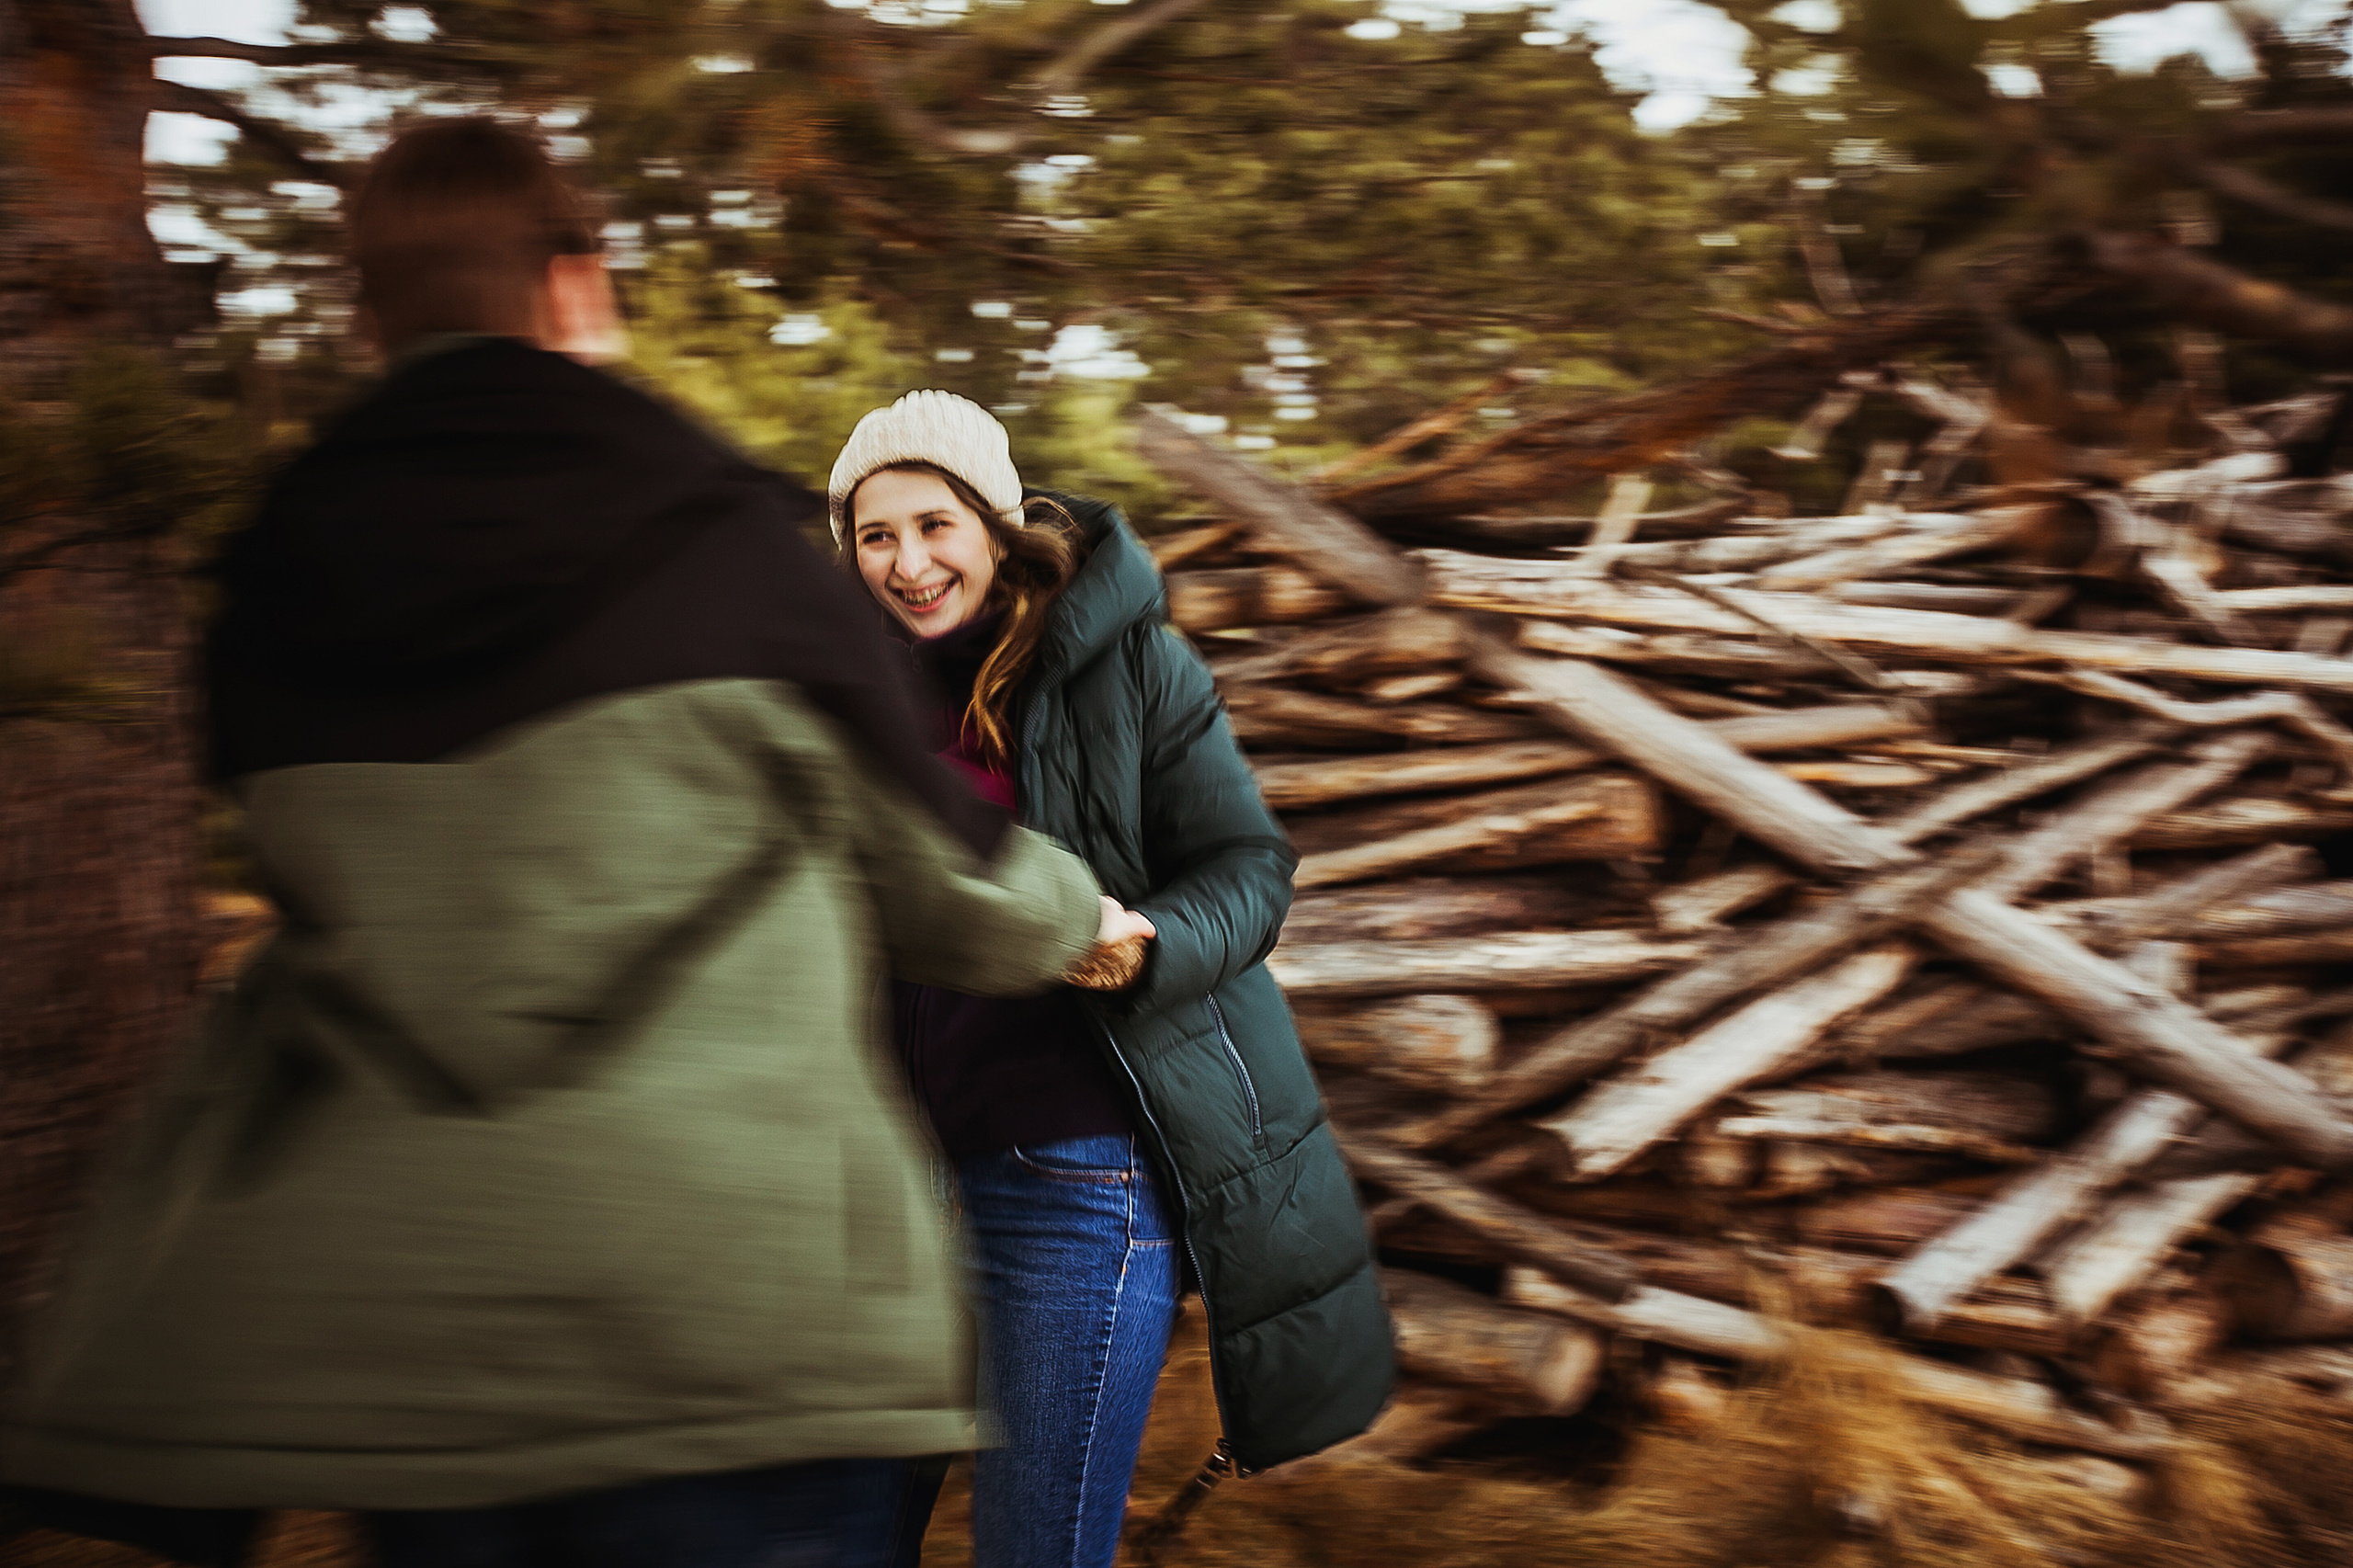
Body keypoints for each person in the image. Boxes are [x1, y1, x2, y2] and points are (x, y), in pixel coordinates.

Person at [0, 120, 1148, 1568]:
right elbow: (946, 886)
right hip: (744, 1330)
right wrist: (1083, 914)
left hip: (427, 1362)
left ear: (367, 313)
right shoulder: (710, 532)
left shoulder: (280, 562)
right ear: (577, 285)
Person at [830, 392, 1395, 1568]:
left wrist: (1148, 941)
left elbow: (1250, 866)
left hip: (1074, 1178)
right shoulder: (830, 695)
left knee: (1037, 1546)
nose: (908, 561)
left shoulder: (1130, 668)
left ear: (994, 520)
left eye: (933, 523)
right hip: (875, 1182)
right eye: (873, 535)